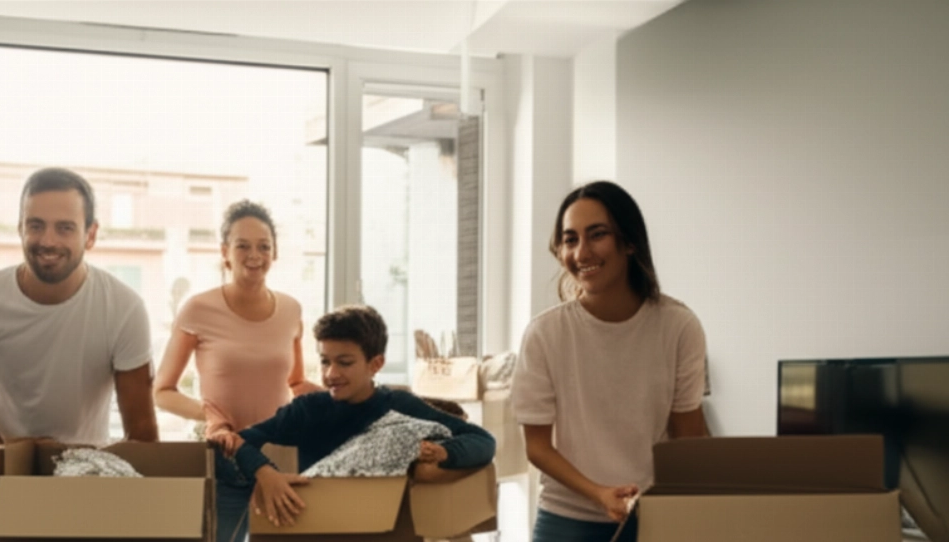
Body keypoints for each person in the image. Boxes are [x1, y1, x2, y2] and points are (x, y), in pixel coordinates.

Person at [511, 180, 709, 542]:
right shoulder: (544, 334)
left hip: (651, 515)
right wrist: (599, 493)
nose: (581, 252)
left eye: (597, 234)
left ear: (630, 242)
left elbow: (688, 434)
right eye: (570, 239)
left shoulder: (680, 326)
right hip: (565, 517)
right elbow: (537, 446)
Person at [0, 167, 159, 449]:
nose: (48, 241)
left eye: (65, 228)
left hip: (87, 474)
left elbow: (142, 434)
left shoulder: (124, 308)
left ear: (90, 234)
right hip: (3, 467)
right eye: (35, 225)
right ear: (20, 228)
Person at [227, 305, 496, 529]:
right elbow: (240, 441)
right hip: (318, 528)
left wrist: (444, 453)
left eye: (344, 363)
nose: (331, 374)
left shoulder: (400, 405)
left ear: (375, 364)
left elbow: (483, 441)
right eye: (324, 361)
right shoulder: (307, 410)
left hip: (385, 530)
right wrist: (266, 473)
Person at [152, 199, 320, 542]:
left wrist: (350, 397)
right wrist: (210, 414)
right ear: (225, 252)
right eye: (242, 245)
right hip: (225, 458)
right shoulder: (198, 309)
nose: (254, 255)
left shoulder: (291, 310)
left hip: (280, 457)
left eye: (264, 246)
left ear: (274, 254)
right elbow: (162, 392)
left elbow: (296, 382)